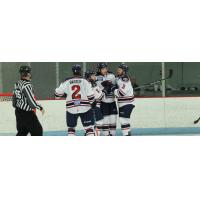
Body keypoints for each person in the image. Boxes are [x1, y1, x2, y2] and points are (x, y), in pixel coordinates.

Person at [54, 64, 96, 136]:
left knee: (71, 129)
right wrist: (93, 105)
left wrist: (66, 94)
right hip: (85, 108)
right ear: (80, 71)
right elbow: (91, 96)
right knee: (89, 129)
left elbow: (57, 94)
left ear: (73, 71)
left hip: (71, 108)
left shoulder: (66, 81)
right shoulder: (85, 81)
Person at [12, 65, 44, 136]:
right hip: (27, 114)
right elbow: (32, 102)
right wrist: (40, 107)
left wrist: (17, 106)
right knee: (38, 132)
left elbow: (14, 99)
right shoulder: (27, 85)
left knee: (22, 132)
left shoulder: (17, 83)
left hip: (18, 112)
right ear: (28, 74)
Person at [112, 63, 135, 136]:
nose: (117, 70)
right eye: (118, 69)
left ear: (124, 71)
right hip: (123, 104)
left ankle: (126, 135)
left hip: (127, 103)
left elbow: (121, 93)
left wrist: (113, 89)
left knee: (123, 120)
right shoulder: (119, 78)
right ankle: (127, 134)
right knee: (125, 121)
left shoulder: (124, 79)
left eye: (119, 70)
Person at [95, 63, 118, 136]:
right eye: (103, 69)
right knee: (105, 122)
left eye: (105, 68)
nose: (105, 70)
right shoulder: (97, 77)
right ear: (99, 69)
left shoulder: (112, 76)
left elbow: (116, 86)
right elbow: (98, 90)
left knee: (113, 121)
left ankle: (112, 135)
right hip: (103, 103)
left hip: (112, 102)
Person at [85, 70, 105, 136]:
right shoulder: (92, 84)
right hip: (94, 107)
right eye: (93, 76)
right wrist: (104, 91)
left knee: (90, 125)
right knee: (99, 122)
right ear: (89, 77)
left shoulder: (84, 84)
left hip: (86, 108)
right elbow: (100, 97)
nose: (95, 77)